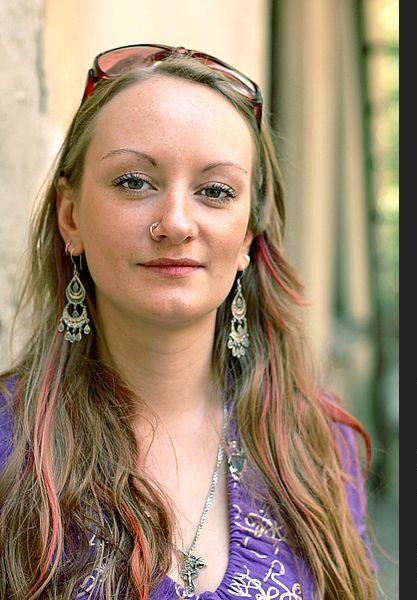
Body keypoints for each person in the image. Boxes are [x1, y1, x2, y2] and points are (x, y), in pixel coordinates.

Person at [0, 44, 376, 600]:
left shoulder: (319, 446)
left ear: (248, 236)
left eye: (216, 191)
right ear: (70, 215)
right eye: (134, 182)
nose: (176, 222)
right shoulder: (9, 450)